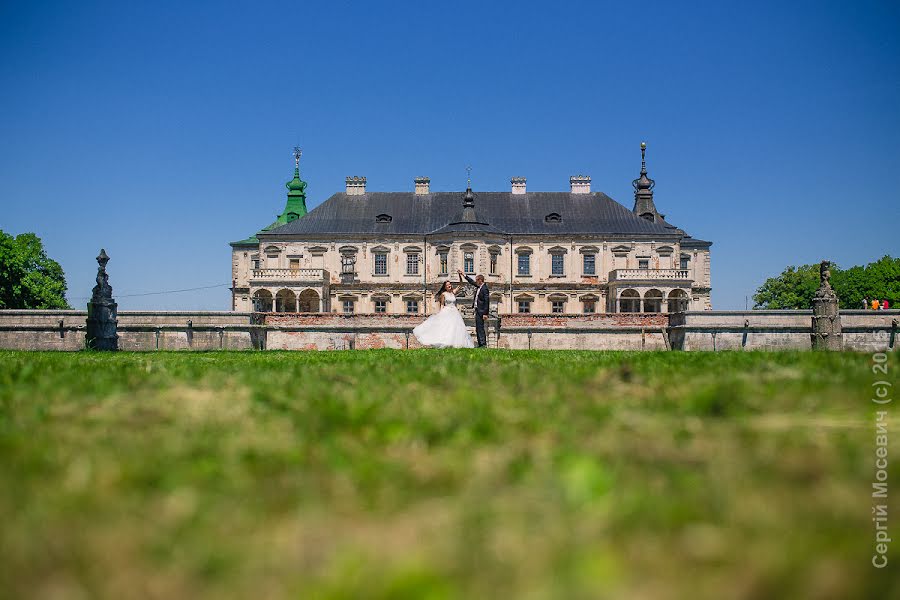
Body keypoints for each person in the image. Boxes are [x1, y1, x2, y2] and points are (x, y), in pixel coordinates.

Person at [412, 280, 474, 348]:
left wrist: (460, 275)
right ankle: (446, 342)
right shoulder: (444, 294)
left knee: (455, 328)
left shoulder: (453, 293)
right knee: (447, 327)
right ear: (445, 287)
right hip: (447, 311)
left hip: (454, 312)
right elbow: (442, 304)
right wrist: (440, 313)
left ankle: (455, 343)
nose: (449, 285)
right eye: (447, 285)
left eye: (449, 284)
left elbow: (461, 284)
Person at [459, 269, 489, 347]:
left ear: (480, 280)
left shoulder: (484, 288)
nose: (476, 282)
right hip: (478, 310)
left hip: (481, 311)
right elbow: (471, 282)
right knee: (478, 327)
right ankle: (480, 343)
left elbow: (487, 301)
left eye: (477, 280)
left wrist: (485, 313)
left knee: (480, 328)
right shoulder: (479, 287)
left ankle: (483, 344)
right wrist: (463, 274)